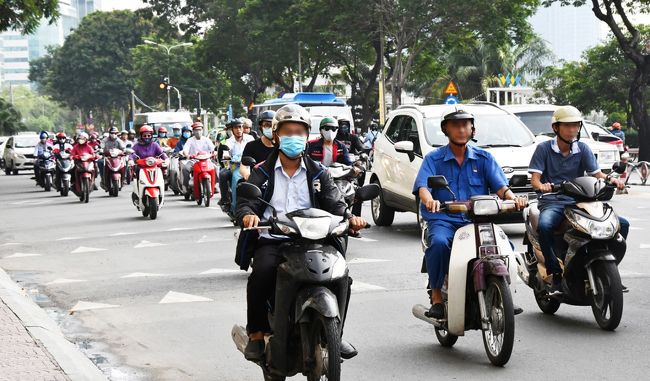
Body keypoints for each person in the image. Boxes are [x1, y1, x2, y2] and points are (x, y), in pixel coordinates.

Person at [236, 103, 366, 362]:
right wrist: (248, 214)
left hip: (314, 239)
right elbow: (245, 200)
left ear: (307, 137)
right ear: (276, 136)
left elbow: (334, 202)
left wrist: (350, 218)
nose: (294, 137)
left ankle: (335, 333)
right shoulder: (262, 171)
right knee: (261, 272)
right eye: (288, 132)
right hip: (275, 239)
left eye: (299, 132)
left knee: (342, 275)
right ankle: (256, 334)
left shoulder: (319, 171)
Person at [413, 106, 527, 319]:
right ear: (446, 129)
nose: (461, 129)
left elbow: (501, 187)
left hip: (476, 219)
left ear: (472, 130)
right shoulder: (433, 159)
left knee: (504, 246)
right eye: (456, 125)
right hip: (444, 219)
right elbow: (423, 188)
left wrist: (514, 199)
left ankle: (504, 292)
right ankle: (436, 296)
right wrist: (430, 201)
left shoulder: (484, 158)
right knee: (438, 244)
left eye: (466, 125)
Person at [529, 105, 629, 295]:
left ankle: (609, 271)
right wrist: (542, 186)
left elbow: (597, 174)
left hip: (581, 201)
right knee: (545, 226)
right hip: (553, 200)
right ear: (556, 128)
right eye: (568, 126)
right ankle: (555, 273)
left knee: (621, 225)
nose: (573, 129)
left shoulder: (582, 148)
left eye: (576, 125)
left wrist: (612, 180)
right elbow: (535, 179)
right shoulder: (543, 149)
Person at [218, 119, 254, 208]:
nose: (238, 130)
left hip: (249, 165)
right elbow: (226, 153)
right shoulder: (229, 141)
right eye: (236, 128)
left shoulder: (250, 139)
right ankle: (226, 200)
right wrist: (226, 156)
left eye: (240, 127)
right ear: (232, 130)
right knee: (222, 174)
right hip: (235, 166)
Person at [240, 111, 276, 180]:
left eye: (273, 125)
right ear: (261, 127)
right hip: (258, 185)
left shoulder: (282, 147)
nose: (270, 128)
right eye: (267, 125)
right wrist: (248, 176)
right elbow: (243, 167)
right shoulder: (251, 146)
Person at [180, 122, 216, 189]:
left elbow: (213, 149)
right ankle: (186, 186)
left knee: (215, 168)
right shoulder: (190, 140)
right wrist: (187, 155)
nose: (198, 132)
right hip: (194, 161)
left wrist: (214, 153)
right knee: (185, 169)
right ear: (193, 131)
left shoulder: (207, 140)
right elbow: (185, 149)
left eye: (199, 130)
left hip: (207, 161)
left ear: (202, 130)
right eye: (196, 130)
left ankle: (213, 185)